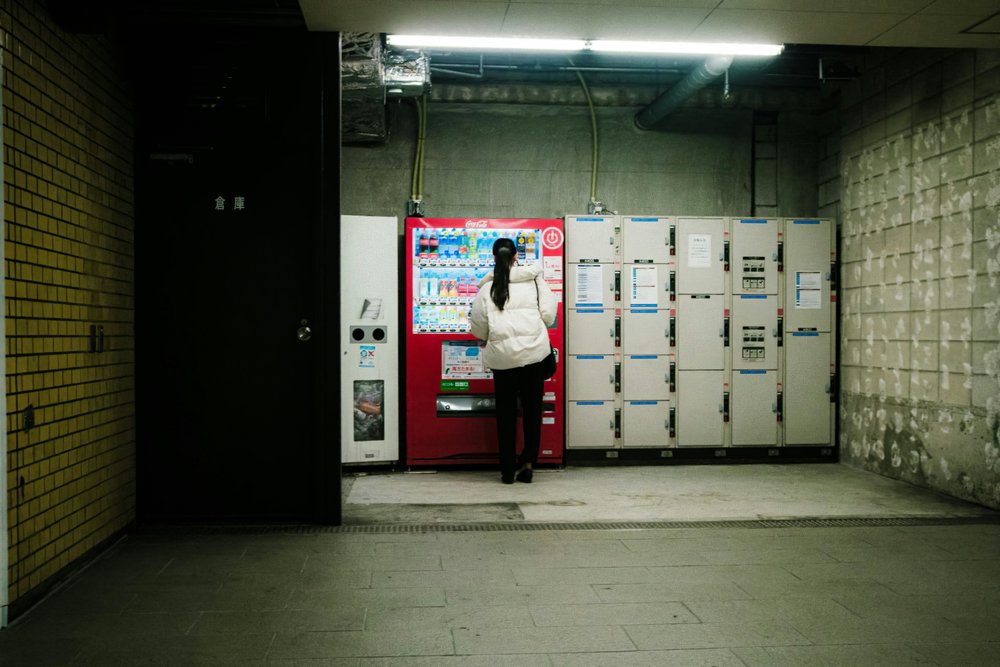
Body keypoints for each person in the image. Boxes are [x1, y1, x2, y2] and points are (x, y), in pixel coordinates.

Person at [470, 236, 557, 484]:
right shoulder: (534, 280)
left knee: (505, 415)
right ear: (516, 256)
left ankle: (507, 470)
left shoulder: (487, 288)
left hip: (503, 360)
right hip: (533, 356)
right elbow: (549, 316)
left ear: (494, 258)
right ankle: (528, 464)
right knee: (532, 412)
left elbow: (479, 329)